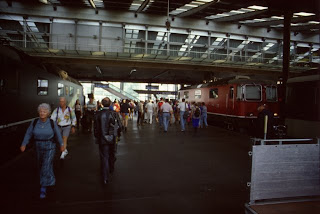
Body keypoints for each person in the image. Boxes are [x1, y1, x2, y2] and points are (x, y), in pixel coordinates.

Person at [20, 103, 64, 199]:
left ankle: (43, 188)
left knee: (46, 165)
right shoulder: (35, 122)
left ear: (48, 113)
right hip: (38, 146)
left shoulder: (52, 122)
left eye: (44, 111)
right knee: (42, 165)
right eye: (40, 111)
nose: (42, 113)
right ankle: (51, 180)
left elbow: (58, 134)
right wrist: (24, 144)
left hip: (50, 146)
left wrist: (61, 145)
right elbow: (28, 133)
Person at [94, 97, 117, 184]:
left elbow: (96, 128)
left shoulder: (98, 114)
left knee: (104, 157)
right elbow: (118, 126)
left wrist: (97, 137)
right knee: (112, 154)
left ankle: (105, 177)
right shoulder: (114, 113)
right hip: (112, 138)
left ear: (102, 104)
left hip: (102, 139)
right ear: (110, 103)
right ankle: (111, 168)